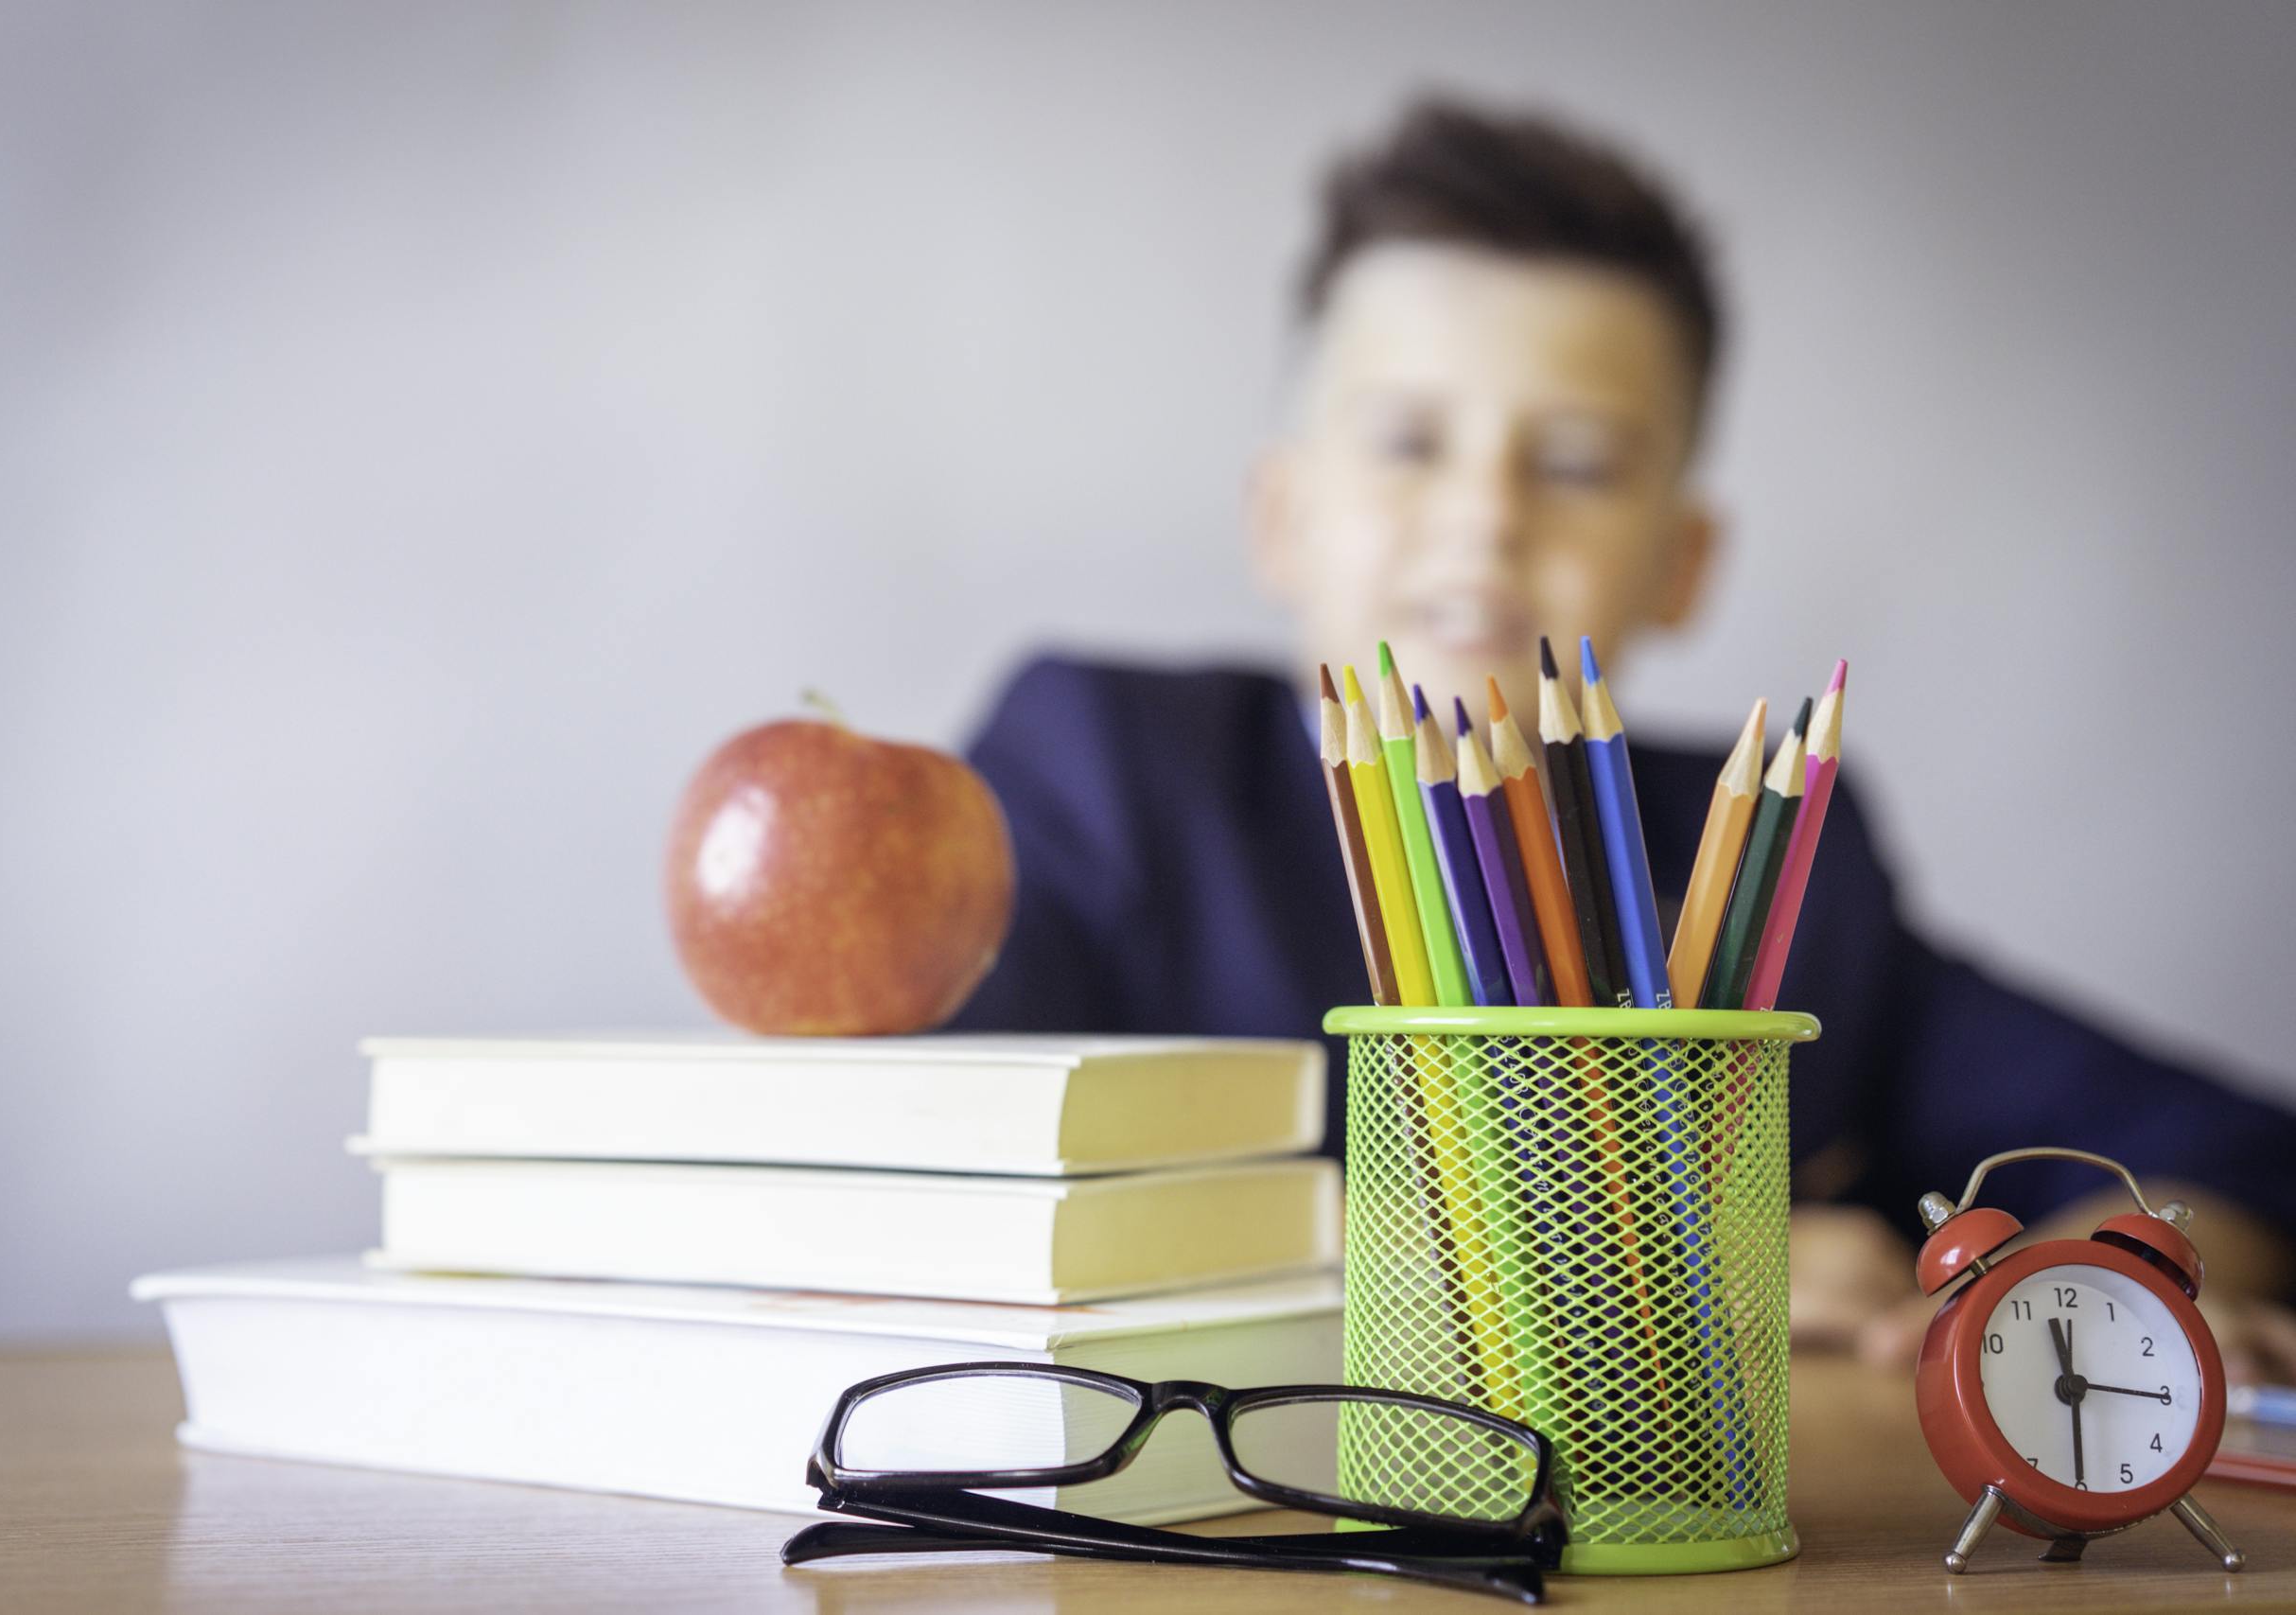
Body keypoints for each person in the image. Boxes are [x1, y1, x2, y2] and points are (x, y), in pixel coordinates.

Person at [947, 97, 2296, 1378]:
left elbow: (2223, 1151)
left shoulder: (1768, 856)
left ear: (1683, 564)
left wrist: (2116, 1276)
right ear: (1280, 517)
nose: (1484, 514)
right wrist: (1662, 1265)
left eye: (1580, 462)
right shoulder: (1106, 767)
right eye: (1410, 441)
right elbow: (935, 1175)